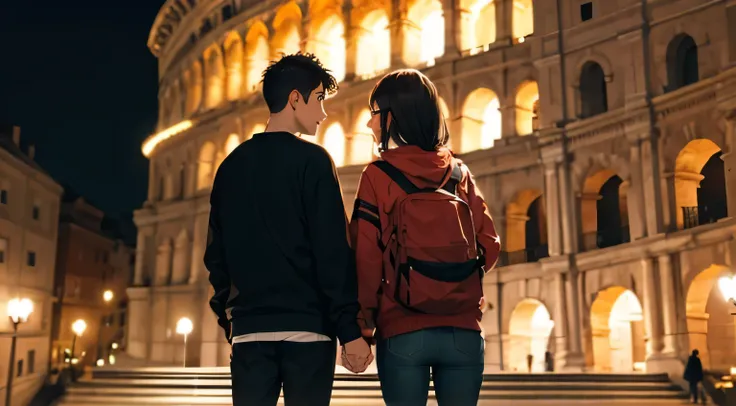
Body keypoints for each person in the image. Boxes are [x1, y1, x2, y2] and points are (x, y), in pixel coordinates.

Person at [204, 52, 373, 406]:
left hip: (250, 333)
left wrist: (229, 320)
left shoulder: (230, 166)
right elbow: (332, 250)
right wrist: (349, 330)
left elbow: (216, 255)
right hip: (309, 333)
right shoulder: (313, 161)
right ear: (295, 98)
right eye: (319, 99)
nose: (324, 113)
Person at [350, 69, 501, 406]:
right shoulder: (460, 173)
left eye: (375, 113)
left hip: (402, 331)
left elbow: (365, 258)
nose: (370, 124)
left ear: (394, 117)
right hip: (464, 332)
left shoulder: (377, 176)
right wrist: (452, 284)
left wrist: (362, 325)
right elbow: (490, 246)